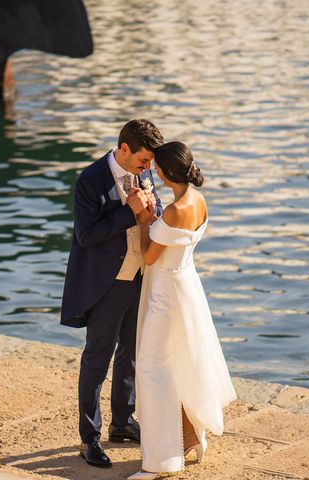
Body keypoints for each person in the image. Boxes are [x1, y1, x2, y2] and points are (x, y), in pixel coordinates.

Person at [128, 141, 237, 480]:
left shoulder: (174, 211)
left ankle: (160, 461)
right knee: (182, 363)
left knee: (152, 368)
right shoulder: (197, 201)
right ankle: (191, 437)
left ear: (166, 172)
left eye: (156, 166)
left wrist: (142, 217)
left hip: (166, 294)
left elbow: (149, 255)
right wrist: (155, 220)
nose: (154, 171)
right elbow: (175, 239)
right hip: (186, 284)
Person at [60, 119, 164, 468]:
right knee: (96, 359)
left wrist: (152, 211)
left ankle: (122, 423)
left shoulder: (144, 174)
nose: (148, 168)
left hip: (139, 276)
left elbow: (156, 211)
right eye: (144, 160)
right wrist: (128, 212)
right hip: (106, 283)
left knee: (131, 353)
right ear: (124, 149)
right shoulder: (90, 181)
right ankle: (89, 438)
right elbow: (86, 236)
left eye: (150, 162)